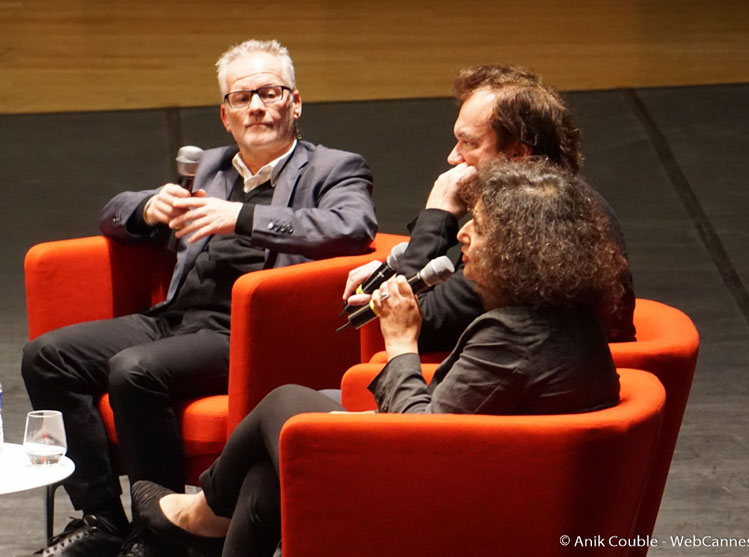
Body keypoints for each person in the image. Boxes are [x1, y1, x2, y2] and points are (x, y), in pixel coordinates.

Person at [131, 158, 625, 557]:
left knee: (284, 402)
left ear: (523, 250)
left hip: (447, 508)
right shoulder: (571, 321)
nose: (465, 235)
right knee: (264, 480)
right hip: (501, 487)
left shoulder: (513, 335)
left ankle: (204, 513)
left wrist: (401, 342)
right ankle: (207, 517)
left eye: (483, 227)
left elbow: (421, 440)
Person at [21, 39, 377, 557]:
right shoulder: (211, 167)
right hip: (178, 318)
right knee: (46, 357)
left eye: (269, 92)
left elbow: (351, 227)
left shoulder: (334, 168)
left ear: (294, 103)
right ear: (225, 115)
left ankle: (162, 534)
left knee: (134, 369)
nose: (255, 106)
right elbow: (112, 212)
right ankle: (101, 518)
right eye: (241, 98)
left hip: (250, 332)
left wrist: (243, 218)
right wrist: (147, 208)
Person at [343, 65, 635, 350]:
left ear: (517, 154)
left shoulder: (531, 227)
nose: (453, 157)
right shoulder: (559, 201)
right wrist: (391, 270)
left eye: (468, 143)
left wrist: (437, 214)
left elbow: (418, 323)